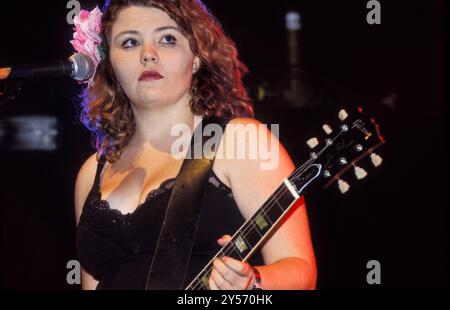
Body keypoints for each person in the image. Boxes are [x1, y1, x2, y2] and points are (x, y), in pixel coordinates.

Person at [74, 0, 316, 290]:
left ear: (197, 57)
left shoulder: (239, 141)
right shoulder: (92, 172)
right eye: (129, 42)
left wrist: (254, 284)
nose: (148, 55)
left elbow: (301, 271)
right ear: (109, 63)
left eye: (167, 39)